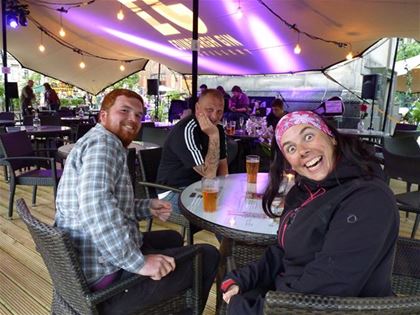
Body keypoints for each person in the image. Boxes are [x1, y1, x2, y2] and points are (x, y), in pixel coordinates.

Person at [55, 89, 219, 315]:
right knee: (207, 255)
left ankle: (173, 303)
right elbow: (96, 209)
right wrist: (140, 263)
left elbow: (105, 202)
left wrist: (146, 207)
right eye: (125, 111)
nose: (133, 119)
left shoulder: (97, 140)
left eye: (139, 115)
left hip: (86, 261)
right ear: (103, 115)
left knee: (172, 237)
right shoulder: (103, 146)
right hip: (106, 283)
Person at [221, 111, 399, 315]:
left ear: (331, 137)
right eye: (291, 148)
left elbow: (327, 289)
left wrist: (247, 309)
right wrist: (244, 278)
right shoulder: (303, 190)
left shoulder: (368, 199)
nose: (303, 151)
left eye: (308, 136)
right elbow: (284, 251)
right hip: (289, 296)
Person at [157, 88, 228, 236]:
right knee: (219, 211)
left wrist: (226, 190)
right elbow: (209, 175)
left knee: (232, 203)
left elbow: (223, 166)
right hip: (173, 193)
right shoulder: (187, 129)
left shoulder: (218, 128)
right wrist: (213, 136)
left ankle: (235, 253)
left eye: (219, 111)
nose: (214, 117)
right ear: (197, 108)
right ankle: (231, 256)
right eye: (209, 110)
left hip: (198, 188)